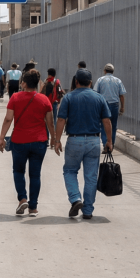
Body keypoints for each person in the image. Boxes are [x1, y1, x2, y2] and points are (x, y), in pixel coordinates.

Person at [53, 69, 113, 220]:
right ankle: (87, 210)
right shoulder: (99, 98)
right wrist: (109, 141)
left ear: (76, 81)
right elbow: (107, 121)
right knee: (91, 176)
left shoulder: (68, 98)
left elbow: (61, 120)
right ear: (91, 82)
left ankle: (75, 199)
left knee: (70, 171)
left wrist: (57, 140)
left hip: (74, 140)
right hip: (94, 140)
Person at [0, 69, 54, 217]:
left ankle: (22, 198)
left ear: (23, 83)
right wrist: (54, 138)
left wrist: (1, 137)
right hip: (39, 141)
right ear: (37, 83)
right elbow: (50, 122)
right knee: (35, 175)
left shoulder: (15, 97)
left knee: (18, 171)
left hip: (19, 141)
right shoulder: (44, 100)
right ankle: (33, 207)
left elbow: (8, 119)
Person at [93, 63, 127, 146]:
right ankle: (111, 144)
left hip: (103, 105)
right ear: (113, 71)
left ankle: (105, 144)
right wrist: (122, 107)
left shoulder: (100, 80)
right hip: (115, 105)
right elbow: (121, 95)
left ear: (104, 71)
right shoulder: (118, 80)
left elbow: (95, 94)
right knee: (113, 126)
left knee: (104, 125)